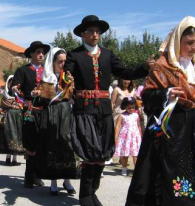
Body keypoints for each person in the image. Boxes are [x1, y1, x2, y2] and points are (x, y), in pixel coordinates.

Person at [64, 15, 154, 206]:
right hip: (85, 110)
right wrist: (65, 78)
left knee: (102, 155)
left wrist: (144, 67)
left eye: (98, 31)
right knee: (90, 154)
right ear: (82, 34)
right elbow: (66, 76)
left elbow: (126, 72)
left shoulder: (107, 54)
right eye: (91, 31)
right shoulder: (74, 55)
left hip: (104, 112)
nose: (95, 34)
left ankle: (92, 192)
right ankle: (84, 197)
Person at [127, 16, 195, 206]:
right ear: (177, 42)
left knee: (186, 176)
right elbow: (147, 98)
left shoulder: (193, 67)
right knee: (163, 179)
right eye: (189, 43)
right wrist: (165, 94)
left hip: (190, 133)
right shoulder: (161, 67)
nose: (193, 47)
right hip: (168, 132)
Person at [37, 47, 77, 195]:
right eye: (60, 62)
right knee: (53, 144)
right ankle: (53, 180)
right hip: (52, 112)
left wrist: (72, 85)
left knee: (67, 144)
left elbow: (73, 96)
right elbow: (43, 99)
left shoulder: (68, 77)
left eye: (65, 62)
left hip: (66, 111)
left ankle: (67, 180)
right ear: (52, 62)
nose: (62, 65)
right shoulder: (46, 79)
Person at [11, 41, 50, 188]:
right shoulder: (23, 71)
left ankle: (38, 175)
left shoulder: (48, 71)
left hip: (45, 110)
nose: (41, 55)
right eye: (38, 52)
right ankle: (29, 176)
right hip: (29, 110)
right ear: (31, 54)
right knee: (31, 143)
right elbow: (16, 88)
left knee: (42, 144)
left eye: (42, 52)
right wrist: (24, 92)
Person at [0, 75, 24, 165]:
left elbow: (23, 105)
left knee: (17, 137)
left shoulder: (20, 94)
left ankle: (14, 158)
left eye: (14, 82)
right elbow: (1, 107)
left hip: (18, 119)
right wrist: (2, 111)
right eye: (11, 82)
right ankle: (8, 157)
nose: (12, 84)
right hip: (7, 119)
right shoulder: (5, 95)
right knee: (8, 137)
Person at [113, 97, 142, 176]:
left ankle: (136, 170)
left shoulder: (136, 115)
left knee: (135, 154)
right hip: (125, 137)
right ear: (125, 106)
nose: (131, 109)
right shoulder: (122, 115)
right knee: (125, 154)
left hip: (135, 137)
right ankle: (124, 168)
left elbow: (138, 126)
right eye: (129, 108)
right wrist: (116, 137)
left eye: (133, 107)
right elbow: (118, 126)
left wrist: (140, 136)